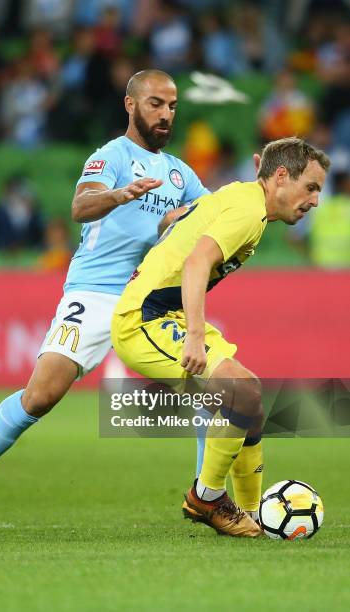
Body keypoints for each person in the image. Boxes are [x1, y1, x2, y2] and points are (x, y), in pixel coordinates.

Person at [0, 69, 210, 535]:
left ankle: (208, 497)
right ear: (131, 105)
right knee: (40, 397)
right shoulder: (111, 156)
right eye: (156, 104)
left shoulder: (182, 174)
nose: (165, 114)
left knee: (205, 384)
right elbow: (81, 207)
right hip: (94, 292)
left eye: (172, 106)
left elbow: (212, 218)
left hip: (148, 297)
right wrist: (121, 195)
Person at [111, 137, 330, 537]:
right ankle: (206, 498)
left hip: (166, 313)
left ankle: (250, 514)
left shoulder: (243, 198)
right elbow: (197, 262)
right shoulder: (248, 211)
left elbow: (183, 218)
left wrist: (172, 226)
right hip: (145, 320)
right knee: (242, 392)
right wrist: (194, 335)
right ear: (280, 177)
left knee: (251, 405)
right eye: (311, 187)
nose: (315, 200)